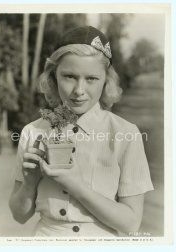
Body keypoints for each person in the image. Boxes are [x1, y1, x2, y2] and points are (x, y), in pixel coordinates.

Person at [9, 26, 154, 237]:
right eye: (69, 76)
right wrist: (30, 182)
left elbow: (131, 224)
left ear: (106, 80)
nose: (79, 90)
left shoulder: (126, 134)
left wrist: (75, 185)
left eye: (91, 79)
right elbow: (19, 215)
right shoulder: (33, 131)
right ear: (53, 77)